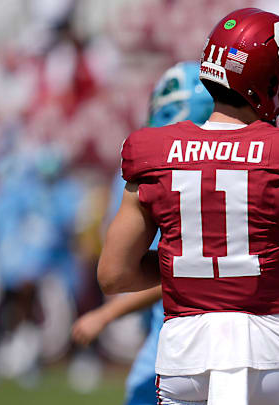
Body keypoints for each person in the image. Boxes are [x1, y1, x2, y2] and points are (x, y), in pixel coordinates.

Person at [97, 8, 279, 405]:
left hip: (183, 352)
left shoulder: (150, 150)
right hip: (264, 349)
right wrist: (276, 260)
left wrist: (182, 265)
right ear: (268, 81)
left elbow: (113, 275)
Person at [71, 61, 213, 404]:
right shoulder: (245, 164)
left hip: (184, 335)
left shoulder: (159, 170)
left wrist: (107, 313)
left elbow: (170, 270)